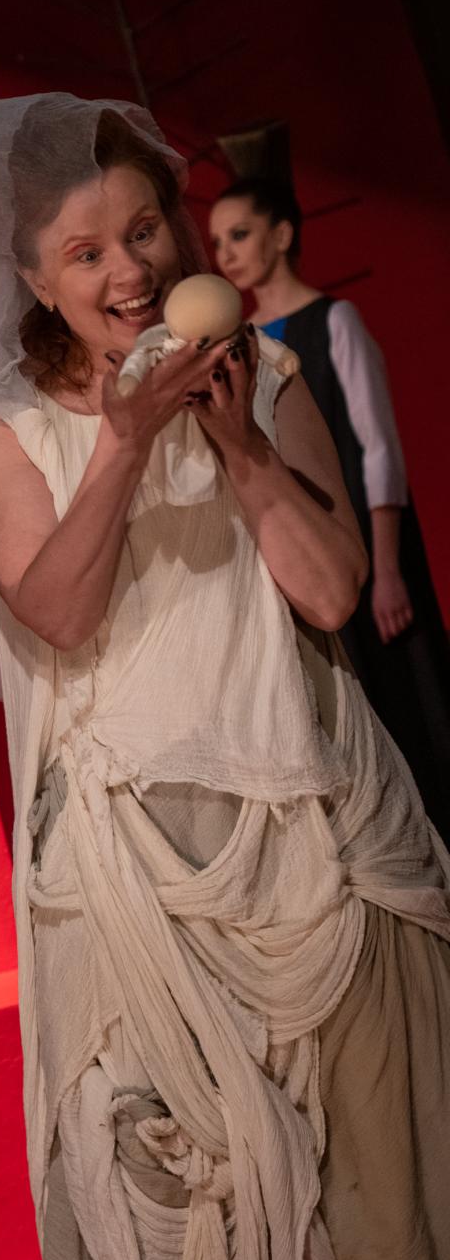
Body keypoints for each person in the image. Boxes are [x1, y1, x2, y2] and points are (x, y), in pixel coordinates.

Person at [0, 91, 450, 1260]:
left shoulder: (262, 373)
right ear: (34, 281)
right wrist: (121, 444)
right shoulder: (5, 430)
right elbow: (54, 610)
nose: (128, 271)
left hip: (320, 852)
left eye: (142, 230)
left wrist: (241, 450)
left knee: (385, 1227)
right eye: (85, 252)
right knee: (203, 1253)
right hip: (138, 892)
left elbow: (329, 593)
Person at [210, 177, 450, 827]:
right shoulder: (238, 343)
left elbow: (378, 447)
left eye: (240, 234)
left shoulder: (333, 322)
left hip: (364, 548)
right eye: (217, 241)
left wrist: (388, 569)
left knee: (407, 704)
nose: (226, 253)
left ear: (282, 234)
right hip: (297, 552)